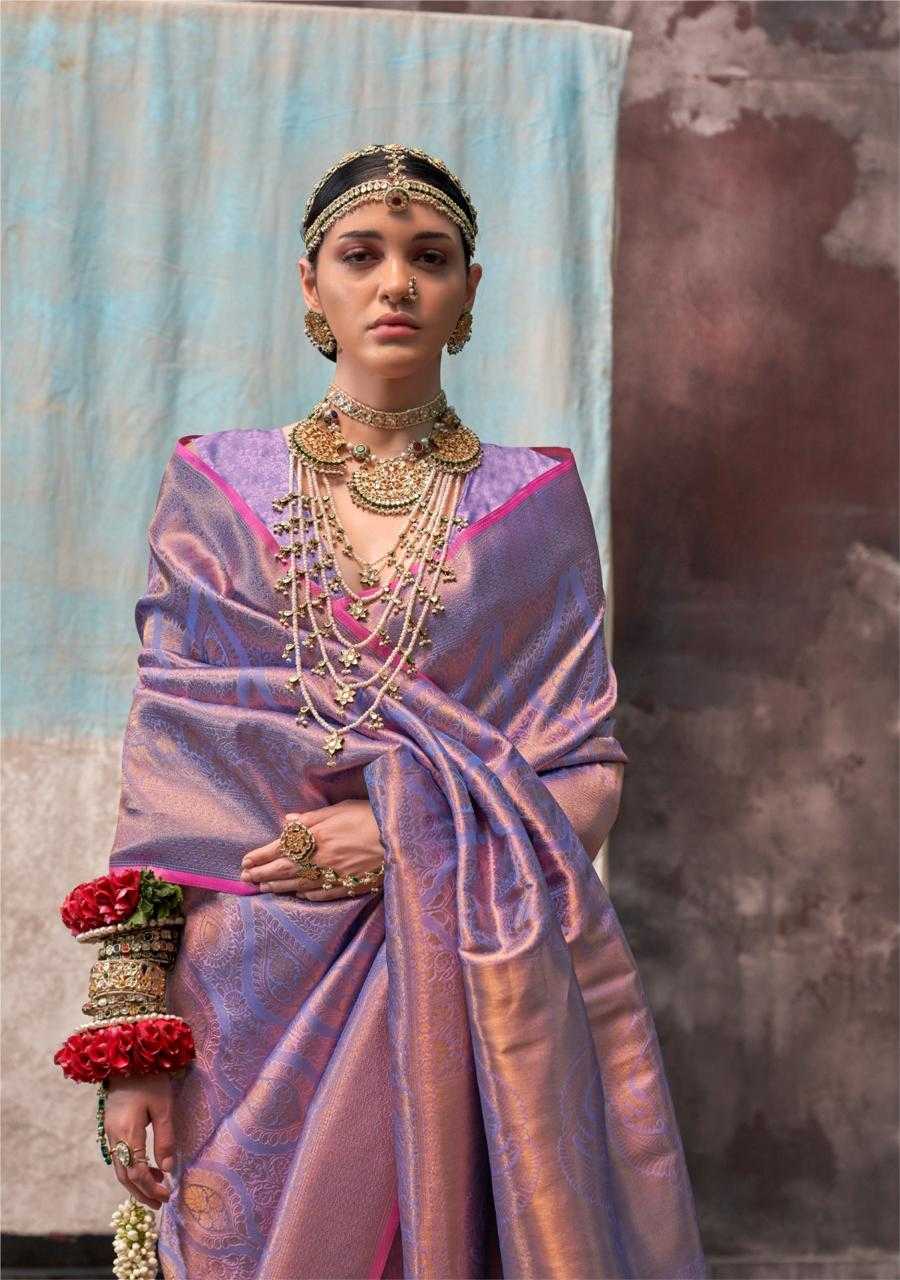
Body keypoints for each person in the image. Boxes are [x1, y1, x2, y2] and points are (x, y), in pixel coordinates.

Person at [70, 143, 706, 1278]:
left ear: (469, 293)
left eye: (431, 257)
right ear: (311, 286)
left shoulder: (533, 507)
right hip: (247, 993)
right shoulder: (219, 488)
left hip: (457, 987)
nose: (397, 282)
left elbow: (583, 770)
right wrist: (135, 1041)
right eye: (361, 255)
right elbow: (166, 777)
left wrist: (402, 835)